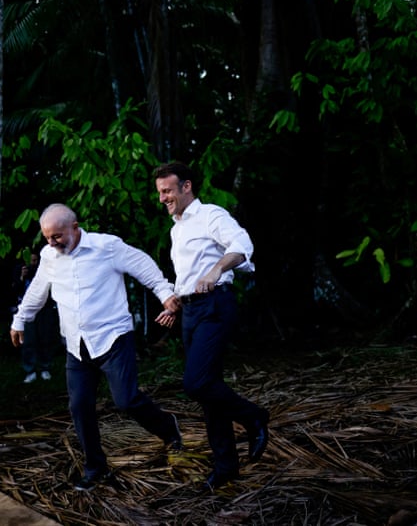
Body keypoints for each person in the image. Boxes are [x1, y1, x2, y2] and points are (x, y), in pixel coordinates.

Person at [10, 203, 183, 492]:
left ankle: (168, 428)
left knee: (126, 400)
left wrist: (165, 293)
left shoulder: (107, 247)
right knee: (79, 407)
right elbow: (38, 290)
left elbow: (142, 266)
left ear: (75, 227)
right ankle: (96, 468)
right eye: (47, 237)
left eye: (58, 236)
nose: (52, 243)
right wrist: (20, 320)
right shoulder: (49, 256)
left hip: (113, 338)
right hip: (76, 345)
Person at [153, 161, 270, 492]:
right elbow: (189, 274)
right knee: (208, 391)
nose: (163, 198)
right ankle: (226, 467)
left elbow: (242, 246)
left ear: (186, 187)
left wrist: (217, 269)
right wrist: (176, 301)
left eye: (168, 191)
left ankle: (254, 417)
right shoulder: (177, 228)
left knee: (196, 383)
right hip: (190, 311)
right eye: (160, 192)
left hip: (216, 305)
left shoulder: (211, 215)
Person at [11, 252, 59, 383]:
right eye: (30, 260)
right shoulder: (20, 271)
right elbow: (15, 290)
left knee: (46, 339)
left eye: (35, 260)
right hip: (25, 312)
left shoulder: (43, 270)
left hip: (45, 310)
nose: (33, 263)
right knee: (27, 341)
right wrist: (21, 277)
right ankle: (30, 370)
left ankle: (45, 367)